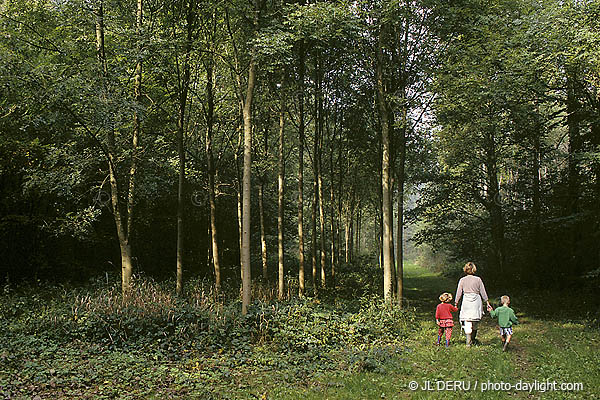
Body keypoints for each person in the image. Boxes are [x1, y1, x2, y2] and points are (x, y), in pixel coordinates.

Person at [454, 262, 491, 346]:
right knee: (475, 321)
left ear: (465, 269)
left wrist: (456, 302)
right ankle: (473, 339)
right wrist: (487, 302)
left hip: (466, 301)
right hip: (476, 302)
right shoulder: (478, 279)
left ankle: (468, 342)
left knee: (467, 320)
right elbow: (483, 291)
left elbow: (458, 292)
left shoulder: (462, 280)